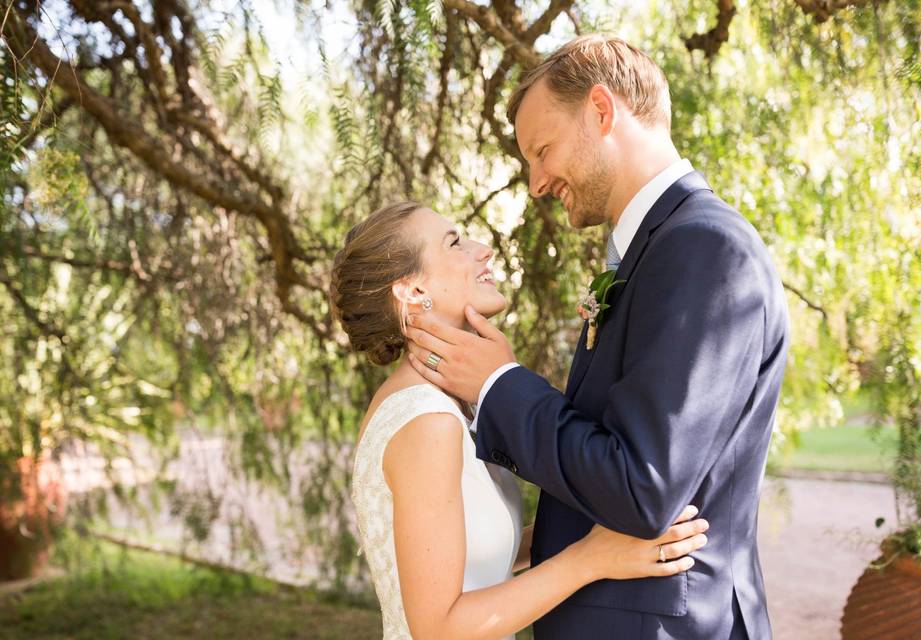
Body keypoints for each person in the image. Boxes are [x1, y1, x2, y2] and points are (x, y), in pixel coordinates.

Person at [405, 35, 789, 639]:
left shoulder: (703, 249)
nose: (535, 182)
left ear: (602, 112)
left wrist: (500, 386)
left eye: (543, 149)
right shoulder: (653, 252)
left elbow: (642, 486)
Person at [332, 201, 709, 640]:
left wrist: (610, 524)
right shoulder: (424, 420)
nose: (483, 250)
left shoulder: (442, 405)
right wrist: (591, 558)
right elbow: (437, 627)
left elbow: (465, 560)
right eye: (455, 242)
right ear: (412, 292)